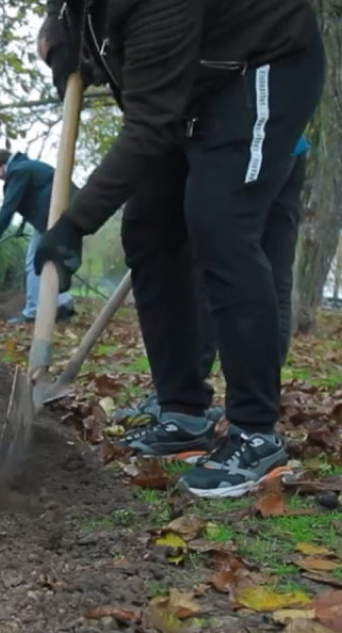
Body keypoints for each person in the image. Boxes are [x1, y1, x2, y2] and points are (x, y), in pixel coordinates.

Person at [0, 0, 326, 498]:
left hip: (264, 65)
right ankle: (184, 411)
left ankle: (255, 433)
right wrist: (64, 48)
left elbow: (151, 125)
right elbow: (75, 15)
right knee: (148, 228)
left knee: (219, 223)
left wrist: (73, 224)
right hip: (202, 78)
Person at [115, 136, 309, 450]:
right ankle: (187, 403)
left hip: (269, 141)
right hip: (233, 142)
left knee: (248, 266)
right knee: (220, 264)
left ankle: (254, 415)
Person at [0, 148, 77, 324]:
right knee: (51, 261)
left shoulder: (18, 171)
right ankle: (63, 302)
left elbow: (9, 207)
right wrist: (22, 226)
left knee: (33, 261)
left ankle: (33, 311)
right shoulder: (27, 167)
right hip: (63, 212)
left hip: (53, 216)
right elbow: (34, 196)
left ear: (0, 166)